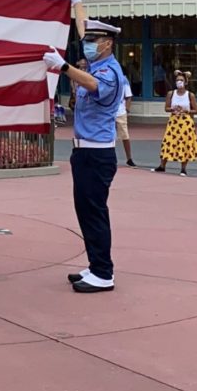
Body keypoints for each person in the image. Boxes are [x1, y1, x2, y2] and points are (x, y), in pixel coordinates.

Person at [46, 20, 127, 294]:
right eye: (87, 40)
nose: (88, 45)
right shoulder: (94, 68)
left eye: (94, 40)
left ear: (108, 43)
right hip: (85, 151)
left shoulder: (109, 71)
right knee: (86, 211)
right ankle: (95, 266)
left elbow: (93, 85)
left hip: (97, 153)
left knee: (94, 213)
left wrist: (63, 67)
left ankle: (103, 273)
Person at [156, 70, 197, 176]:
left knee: (184, 144)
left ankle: (183, 168)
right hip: (174, 121)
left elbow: (196, 110)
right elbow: (166, 108)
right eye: (177, 80)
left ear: (186, 82)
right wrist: (172, 109)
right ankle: (162, 165)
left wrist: (186, 111)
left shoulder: (190, 95)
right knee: (168, 142)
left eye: (181, 80)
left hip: (186, 123)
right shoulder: (171, 94)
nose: (179, 82)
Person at [116, 79, 135, 168]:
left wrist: (127, 109)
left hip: (120, 111)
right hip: (107, 112)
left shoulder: (123, 80)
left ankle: (129, 158)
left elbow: (128, 96)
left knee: (125, 136)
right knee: (108, 136)